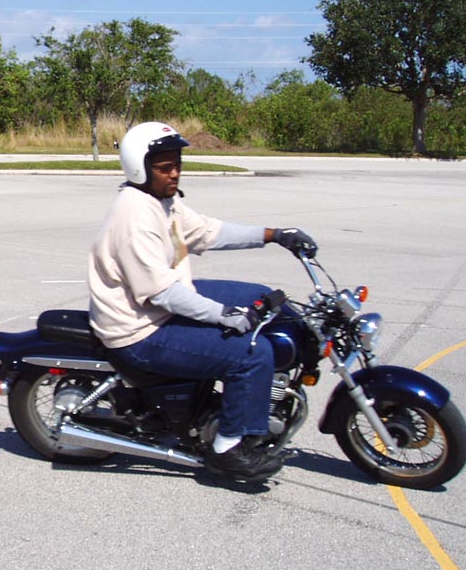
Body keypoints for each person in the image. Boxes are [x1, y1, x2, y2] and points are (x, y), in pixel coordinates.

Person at [88, 121, 318, 482]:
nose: (175, 172)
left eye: (177, 164)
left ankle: (258, 400)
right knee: (252, 353)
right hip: (139, 329)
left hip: (161, 304)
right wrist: (222, 315)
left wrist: (274, 235)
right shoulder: (134, 217)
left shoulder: (162, 201)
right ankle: (227, 448)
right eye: (165, 167)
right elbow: (162, 292)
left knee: (263, 298)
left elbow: (209, 232)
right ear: (140, 168)